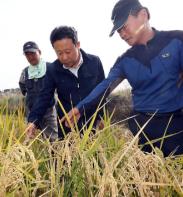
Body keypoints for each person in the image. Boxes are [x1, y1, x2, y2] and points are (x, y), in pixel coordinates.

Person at [62, 0, 183, 157]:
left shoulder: (177, 40)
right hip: (143, 128)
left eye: (124, 27)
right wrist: (80, 107)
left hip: (178, 125)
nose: (122, 35)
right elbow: (105, 86)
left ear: (143, 15)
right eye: (118, 31)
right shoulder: (125, 60)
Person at [26, 26, 105, 140]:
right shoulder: (53, 69)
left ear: (77, 44)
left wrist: (100, 116)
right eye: (59, 53)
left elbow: (103, 91)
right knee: (66, 156)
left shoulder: (94, 62)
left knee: (94, 156)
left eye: (68, 52)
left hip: (92, 122)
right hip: (67, 125)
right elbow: (44, 97)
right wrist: (32, 121)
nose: (64, 57)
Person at [19, 41, 58, 141]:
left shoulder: (51, 68)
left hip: (48, 111)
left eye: (33, 53)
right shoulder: (25, 72)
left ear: (39, 52)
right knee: (31, 138)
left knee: (53, 139)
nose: (30, 57)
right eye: (27, 54)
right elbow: (23, 88)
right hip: (31, 111)